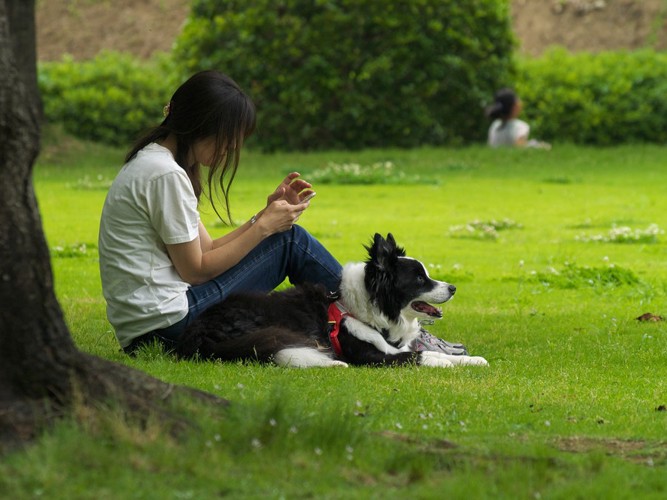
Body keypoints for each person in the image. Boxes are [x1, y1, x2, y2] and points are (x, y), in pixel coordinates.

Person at [98, 70, 467, 356]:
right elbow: (195, 270)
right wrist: (267, 230)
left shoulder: (156, 164)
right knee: (290, 241)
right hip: (168, 323)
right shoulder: (165, 175)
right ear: (204, 127)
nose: (232, 149)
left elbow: (207, 250)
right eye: (232, 137)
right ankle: (398, 334)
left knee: (283, 236)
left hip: (151, 325)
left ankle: (389, 329)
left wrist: (263, 217)